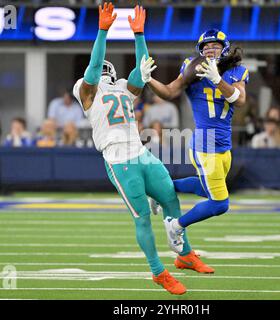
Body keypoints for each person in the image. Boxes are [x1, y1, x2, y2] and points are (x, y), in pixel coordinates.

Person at [72, 3, 211, 296]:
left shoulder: (123, 88)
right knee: (142, 218)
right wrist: (102, 30)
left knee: (170, 198)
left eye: (109, 70)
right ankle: (158, 272)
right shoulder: (88, 93)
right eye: (102, 70)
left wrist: (138, 34)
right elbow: (94, 69)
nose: (106, 73)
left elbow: (142, 68)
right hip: (118, 159)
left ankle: (184, 254)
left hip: (141, 151)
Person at [141, 29, 249, 252]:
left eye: (215, 45)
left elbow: (240, 100)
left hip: (224, 144)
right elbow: (170, 91)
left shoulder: (237, 71)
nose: (210, 49)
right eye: (206, 46)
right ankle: (176, 226)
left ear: (225, 48)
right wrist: (149, 80)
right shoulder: (192, 69)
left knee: (205, 187)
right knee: (220, 203)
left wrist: (217, 79)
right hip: (204, 143)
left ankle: (156, 191)